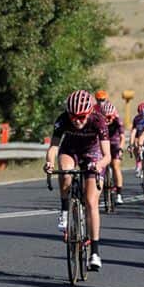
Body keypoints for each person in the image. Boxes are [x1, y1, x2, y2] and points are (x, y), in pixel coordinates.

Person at [44, 90, 110, 271]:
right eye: (73, 117)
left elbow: (107, 156)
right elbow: (53, 147)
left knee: (91, 201)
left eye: (81, 117)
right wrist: (49, 162)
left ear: (89, 113)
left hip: (92, 154)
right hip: (70, 150)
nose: (77, 121)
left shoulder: (98, 120)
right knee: (65, 172)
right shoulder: (63, 119)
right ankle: (65, 210)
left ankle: (95, 252)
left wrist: (99, 165)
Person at [101, 101, 125, 204]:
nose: (107, 120)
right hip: (102, 143)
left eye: (109, 117)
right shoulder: (98, 121)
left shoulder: (117, 121)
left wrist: (121, 148)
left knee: (115, 165)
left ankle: (119, 194)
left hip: (114, 143)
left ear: (114, 116)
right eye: (105, 117)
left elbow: (122, 137)